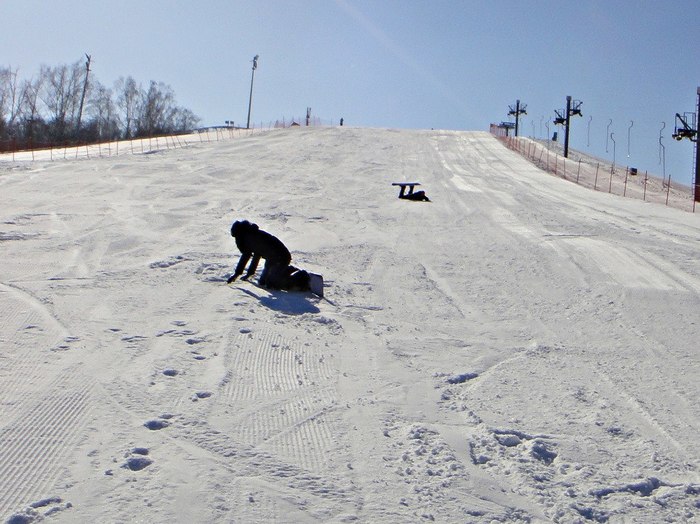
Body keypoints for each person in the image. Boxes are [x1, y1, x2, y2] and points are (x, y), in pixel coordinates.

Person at [227, 220, 292, 288]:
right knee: (262, 282)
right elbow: (257, 255)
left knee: (271, 284)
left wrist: (236, 274)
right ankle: (281, 272)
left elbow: (246, 256)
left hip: (281, 258)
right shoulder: (252, 234)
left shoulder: (250, 238)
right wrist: (249, 273)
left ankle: (294, 276)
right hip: (272, 259)